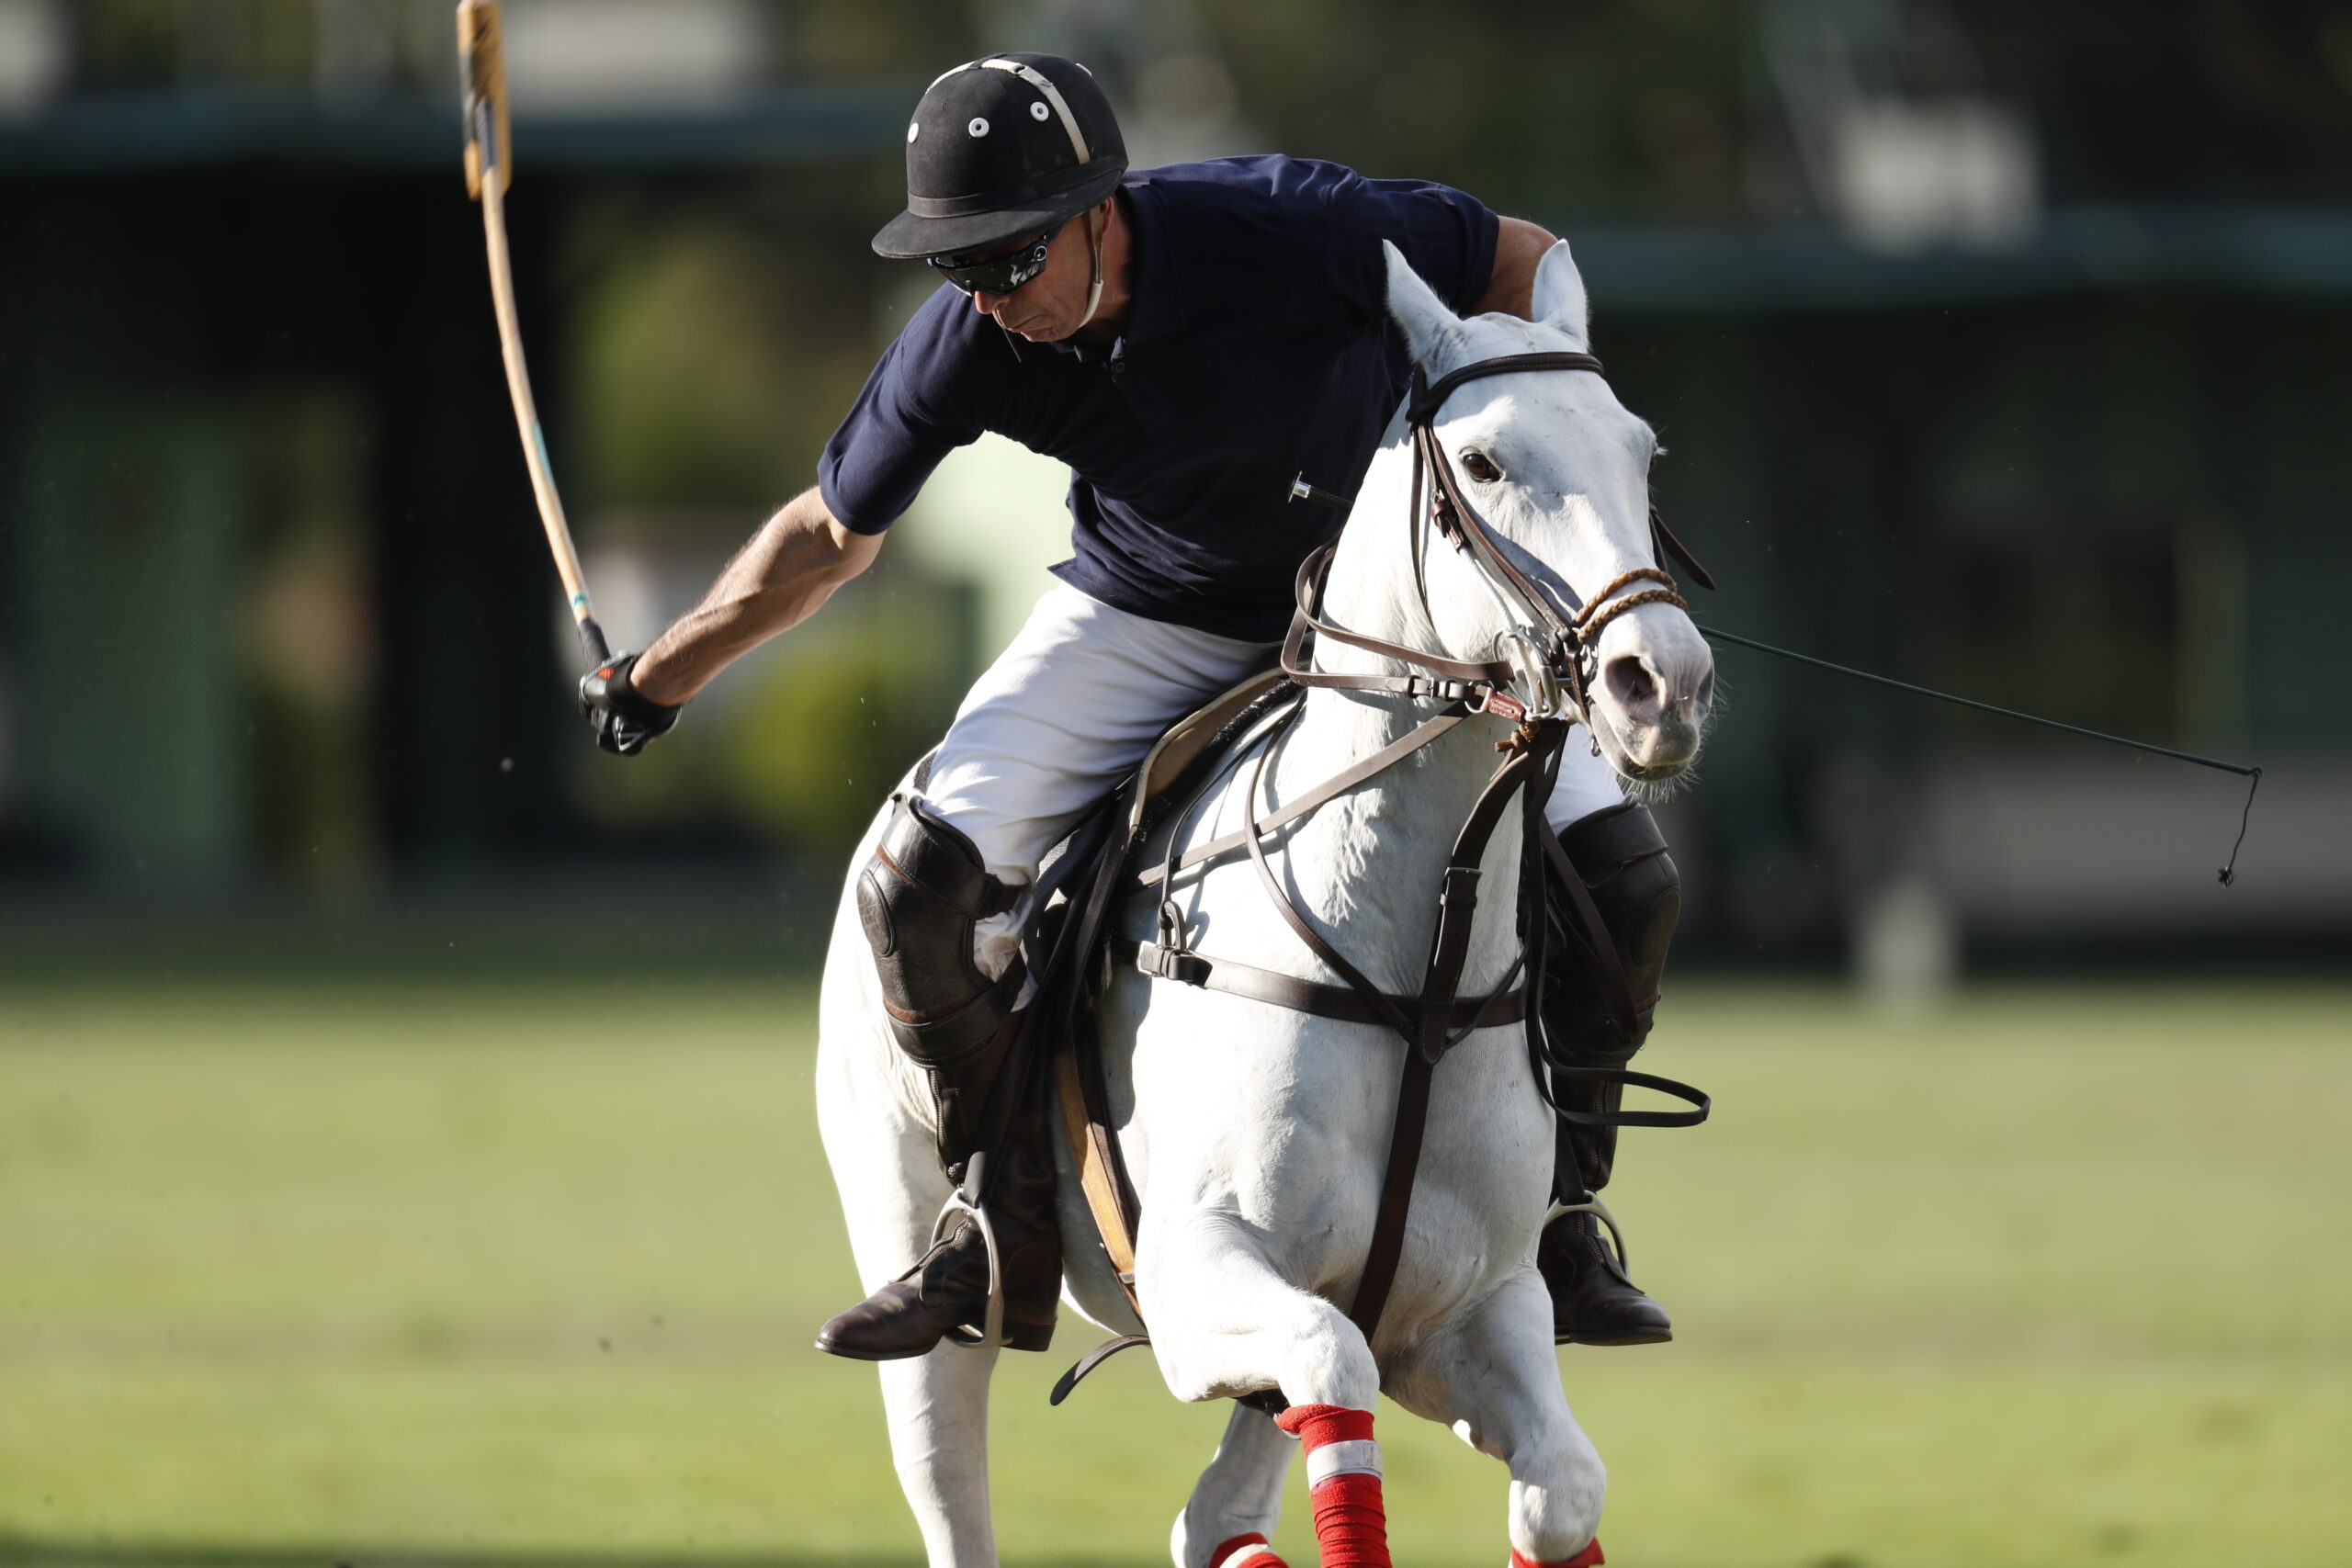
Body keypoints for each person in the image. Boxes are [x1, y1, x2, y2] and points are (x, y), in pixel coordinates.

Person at [578, 52, 1683, 1363]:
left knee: (1626, 874)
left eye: (1014, 255)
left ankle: (1559, 1216)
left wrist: (1516, 465)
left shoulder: (1280, 226)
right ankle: (994, 1217)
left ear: (1105, 212)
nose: (994, 293)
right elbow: (831, 534)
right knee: (918, 884)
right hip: (1150, 615)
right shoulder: (970, 338)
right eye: (961, 266)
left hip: (1390, 620)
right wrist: (665, 674)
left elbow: (1523, 259)